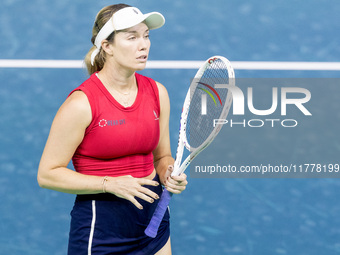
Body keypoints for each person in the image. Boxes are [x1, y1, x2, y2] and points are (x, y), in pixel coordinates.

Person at [37, 4, 188, 255]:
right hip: (102, 227)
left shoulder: (157, 93)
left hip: (153, 220)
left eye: (146, 36)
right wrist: (110, 184)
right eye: (132, 37)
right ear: (107, 46)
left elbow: (162, 156)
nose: (144, 45)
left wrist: (169, 172)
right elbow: (47, 174)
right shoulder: (81, 104)